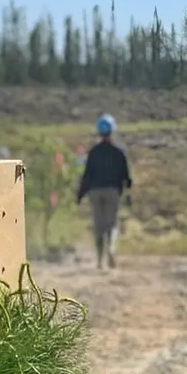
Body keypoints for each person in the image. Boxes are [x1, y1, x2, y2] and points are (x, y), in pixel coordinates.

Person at [76, 113, 132, 270]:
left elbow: (87, 175)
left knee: (98, 225)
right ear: (113, 131)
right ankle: (112, 249)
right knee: (112, 224)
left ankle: (100, 260)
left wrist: (80, 194)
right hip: (113, 191)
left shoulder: (94, 152)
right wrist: (128, 195)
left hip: (95, 192)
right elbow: (126, 176)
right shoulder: (119, 152)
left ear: (99, 132)